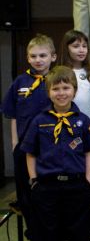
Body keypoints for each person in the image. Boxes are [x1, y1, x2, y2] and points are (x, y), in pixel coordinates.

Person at [21, 66, 90, 241]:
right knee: (44, 237)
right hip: (47, 186)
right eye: (56, 88)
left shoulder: (83, 121)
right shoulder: (39, 121)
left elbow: (89, 151)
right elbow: (30, 153)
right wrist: (34, 180)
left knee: (80, 234)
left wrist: (87, 179)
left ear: (74, 90)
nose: (61, 93)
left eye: (66, 88)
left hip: (76, 185)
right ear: (48, 92)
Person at [3, 34, 57, 223]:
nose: (38, 60)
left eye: (43, 55)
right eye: (33, 56)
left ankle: (51, 231)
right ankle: (32, 231)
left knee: (49, 191)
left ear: (53, 57)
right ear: (27, 58)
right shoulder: (20, 82)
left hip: (51, 145)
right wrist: (14, 143)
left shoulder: (57, 81)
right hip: (25, 145)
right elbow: (13, 114)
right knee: (26, 193)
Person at [59, 30, 90, 119]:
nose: (81, 50)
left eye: (84, 46)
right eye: (76, 46)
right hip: (67, 120)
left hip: (88, 120)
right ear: (66, 48)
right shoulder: (60, 72)